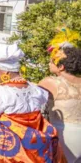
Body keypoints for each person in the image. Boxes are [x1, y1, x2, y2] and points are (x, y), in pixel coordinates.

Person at [39, 29, 81, 162]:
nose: (49, 63)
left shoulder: (50, 82)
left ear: (61, 66)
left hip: (62, 137)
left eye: (52, 61)